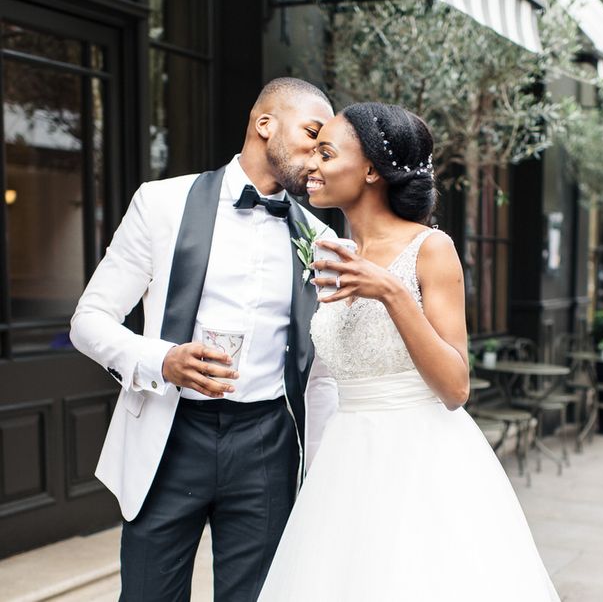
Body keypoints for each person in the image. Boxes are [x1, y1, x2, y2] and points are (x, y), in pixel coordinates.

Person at [258, 102, 560, 601]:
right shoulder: (333, 249)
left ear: (372, 169)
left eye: (327, 153)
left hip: (419, 462)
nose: (311, 165)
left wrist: (393, 293)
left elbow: (455, 386)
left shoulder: (430, 249)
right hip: (344, 463)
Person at [69, 77, 338, 600]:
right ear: (265, 125)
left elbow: (321, 373)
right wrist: (162, 358)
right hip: (170, 436)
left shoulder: (320, 239)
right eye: (311, 135)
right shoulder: (161, 203)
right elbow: (89, 319)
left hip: (268, 444)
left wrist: (322, 471)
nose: (318, 158)